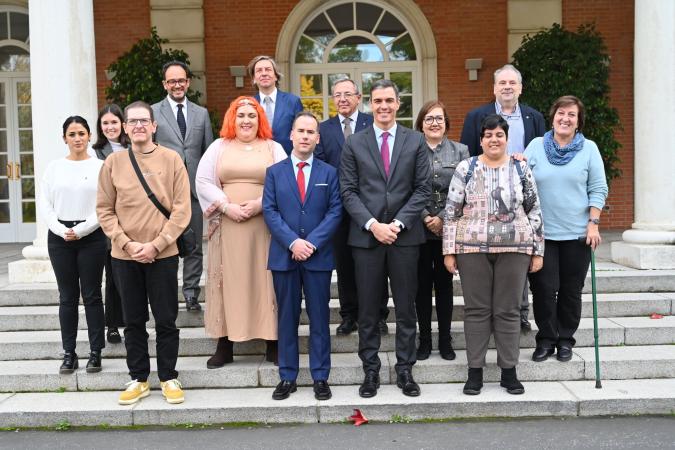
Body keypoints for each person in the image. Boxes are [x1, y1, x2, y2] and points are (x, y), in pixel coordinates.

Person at [340, 79, 431, 398]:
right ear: (369, 104)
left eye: (389, 101)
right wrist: (372, 224)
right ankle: (371, 371)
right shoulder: (354, 143)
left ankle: (405, 370)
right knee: (367, 310)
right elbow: (348, 191)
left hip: (404, 239)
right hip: (367, 240)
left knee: (407, 307)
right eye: (377, 101)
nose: (383, 107)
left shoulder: (416, 140)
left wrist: (398, 224)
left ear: (398, 104)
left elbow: (422, 189)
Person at [97, 101, 191, 405]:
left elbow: (181, 209)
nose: (138, 126)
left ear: (153, 126)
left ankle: (168, 377)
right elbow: (104, 210)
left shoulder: (172, 159)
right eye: (132, 121)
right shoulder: (113, 163)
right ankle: (138, 378)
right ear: (124, 128)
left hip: (163, 254)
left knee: (166, 319)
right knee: (134, 320)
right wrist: (127, 243)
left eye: (143, 121)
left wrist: (157, 244)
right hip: (124, 256)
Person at [443, 114, 544, 396]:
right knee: (476, 310)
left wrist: (538, 250)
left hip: (515, 247)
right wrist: (449, 250)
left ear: (506, 137)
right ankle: (474, 372)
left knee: (508, 310)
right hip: (471, 248)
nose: (493, 139)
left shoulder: (520, 169)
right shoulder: (466, 167)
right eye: (488, 135)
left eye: (499, 134)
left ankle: (509, 372)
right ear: (481, 140)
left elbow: (534, 210)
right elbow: (451, 211)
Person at [195, 96, 286, 369]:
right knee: (227, 280)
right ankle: (225, 345)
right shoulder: (219, 147)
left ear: (261, 120)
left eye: (252, 115)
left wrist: (261, 204)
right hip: (228, 224)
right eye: (241, 115)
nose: (246, 120)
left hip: (266, 226)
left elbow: (285, 181)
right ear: (232, 119)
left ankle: (274, 342)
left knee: (267, 281)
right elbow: (203, 181)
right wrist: (225, 206)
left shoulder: (273, 147)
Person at [460, 64, 546, 332]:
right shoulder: (477, 116)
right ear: (494, 88)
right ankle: (491, 315)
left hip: (520, 198)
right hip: (485, 198)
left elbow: (541, 154)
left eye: (512, 83)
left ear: (520, 87)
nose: (507, 87)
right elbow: (467, 155)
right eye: (502, 83)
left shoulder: (534, 117)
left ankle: (519, 313)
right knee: (492, 257)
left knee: (516, 253)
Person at [263, 112, 342, 401]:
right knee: (287, 319)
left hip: (318, 258)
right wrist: (293, 242)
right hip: (284, 257)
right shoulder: (274, 172)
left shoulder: (329, 173)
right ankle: (288, 376)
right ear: (291, 135)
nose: (306, 136)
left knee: (320, 318)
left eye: (311, 132)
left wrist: (311, 243)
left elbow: (335, 212)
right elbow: (270, 212)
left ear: (317, 138)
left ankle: (321, 377)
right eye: (301, 131)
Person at [524, 95, 608, 363]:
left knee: (571, 290)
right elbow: (520, 181)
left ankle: (565, 340)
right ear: (553, 116)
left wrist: (593, 223)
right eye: (561, 113)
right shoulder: (536, 146)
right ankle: (546, 339)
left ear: (578, 121)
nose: (565, 118)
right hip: (542, 234)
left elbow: (598, 188)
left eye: (571, 114)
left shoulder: (589, 149)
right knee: (543, 289)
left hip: (577, 234)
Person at [314, 77, 389, 336]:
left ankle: (379, 314)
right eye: (338, 95)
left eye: (348, 94)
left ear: (359, 98)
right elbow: (322, 166)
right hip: (339, 207)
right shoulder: (323, 130)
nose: (343, 99)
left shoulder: (374, 124)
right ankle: (349, 315)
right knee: (344, 263)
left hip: (373, 207)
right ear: (333, 99)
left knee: (376, 262)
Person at [40, 116, 106, 374]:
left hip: (91, 235)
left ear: (89, 136)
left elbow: (106, 205)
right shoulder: (54, 167)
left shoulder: (101, 166)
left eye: (81, 133)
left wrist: (81, 229)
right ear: (64, 138)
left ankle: (95, 352)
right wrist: (61, 230)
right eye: (72, 134)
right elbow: (44, 204)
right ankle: (69, 353)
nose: (77, 138)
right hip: (59, 237)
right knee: (67, 296)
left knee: (92, 294)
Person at [152, 60, 214, 312]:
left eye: (181, 80)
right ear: (165, 84)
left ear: (188, 82)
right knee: (163, 244)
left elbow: (208, 153)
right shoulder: (153, 112)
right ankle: (164, 295)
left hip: (194, 192)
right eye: (172, 81)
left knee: (194, 246)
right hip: (162, 192)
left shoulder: (202, 113)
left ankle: (190, 294)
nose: (177, 85)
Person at [413, 100, 469, 361]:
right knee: (421, 288)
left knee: (445, 287)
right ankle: (424, 340)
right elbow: (407, 187)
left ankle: (445, 340)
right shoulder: (411, 150)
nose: (434, 123)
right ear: (421, 124)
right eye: (428, 118)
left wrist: (443, 218)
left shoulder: (461, 152)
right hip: (419, 230)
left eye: (439, 118)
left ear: (446, 123)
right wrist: (427, 216)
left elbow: (465, 191)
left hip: (449, 231)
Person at [92, 104, 128, 344]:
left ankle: (134, 322)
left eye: (114, 122)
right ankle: (113, 325)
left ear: (122, 124)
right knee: (113, 278)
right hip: (106, 224)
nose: (110, 127)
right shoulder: (96, 153)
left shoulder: (132, 148)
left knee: (130, 278)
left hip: (132, 221)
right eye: (105, 123)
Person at [249, 55, 303, 154]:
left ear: (276, 76)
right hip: (256, 160)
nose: (264, 73)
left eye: (268, 69)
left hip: (287, 160)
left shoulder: (293, 101)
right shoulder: (248, 104)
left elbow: (301, 133)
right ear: (254, 78)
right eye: (259, 70)